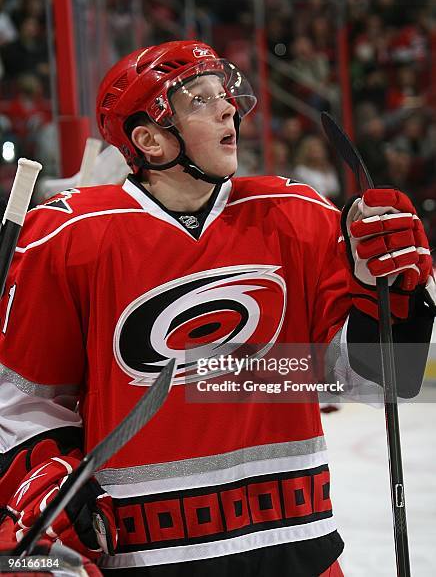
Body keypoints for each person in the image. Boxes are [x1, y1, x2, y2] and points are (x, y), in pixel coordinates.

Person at [0, 40, 434, 577]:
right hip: (145, 551)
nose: (229, 106)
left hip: (296, 545)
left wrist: (387, 292)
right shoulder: (71, 235)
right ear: (151, 140)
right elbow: (25, 400)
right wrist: (46, 482)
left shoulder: (294, 215)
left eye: (224, 93)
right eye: (200, 99)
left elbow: (378, 380)